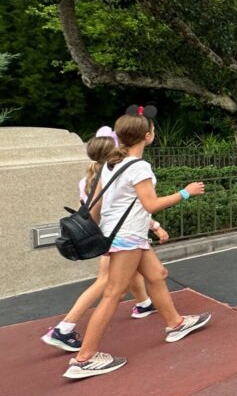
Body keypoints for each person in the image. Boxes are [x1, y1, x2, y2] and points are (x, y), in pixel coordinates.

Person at [64, 107, 211, 379]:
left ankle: (175, 323)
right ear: (147, 136)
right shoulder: (139, 166)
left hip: (124, 235)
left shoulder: (109, 164)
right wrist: (185, 193)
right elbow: (151, 204)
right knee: (113, 294)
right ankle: (84, 359)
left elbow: (94, 208)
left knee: (158, 275)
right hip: (128, 236)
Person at [41, 128, 160, 353]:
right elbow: (119, 208)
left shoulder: (88, 178)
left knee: (131, 273)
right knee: (107, 284)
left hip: (104, 234)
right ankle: (64, 328)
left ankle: (144, 304)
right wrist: (154, 225)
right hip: (115, 235)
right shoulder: (110, 175)